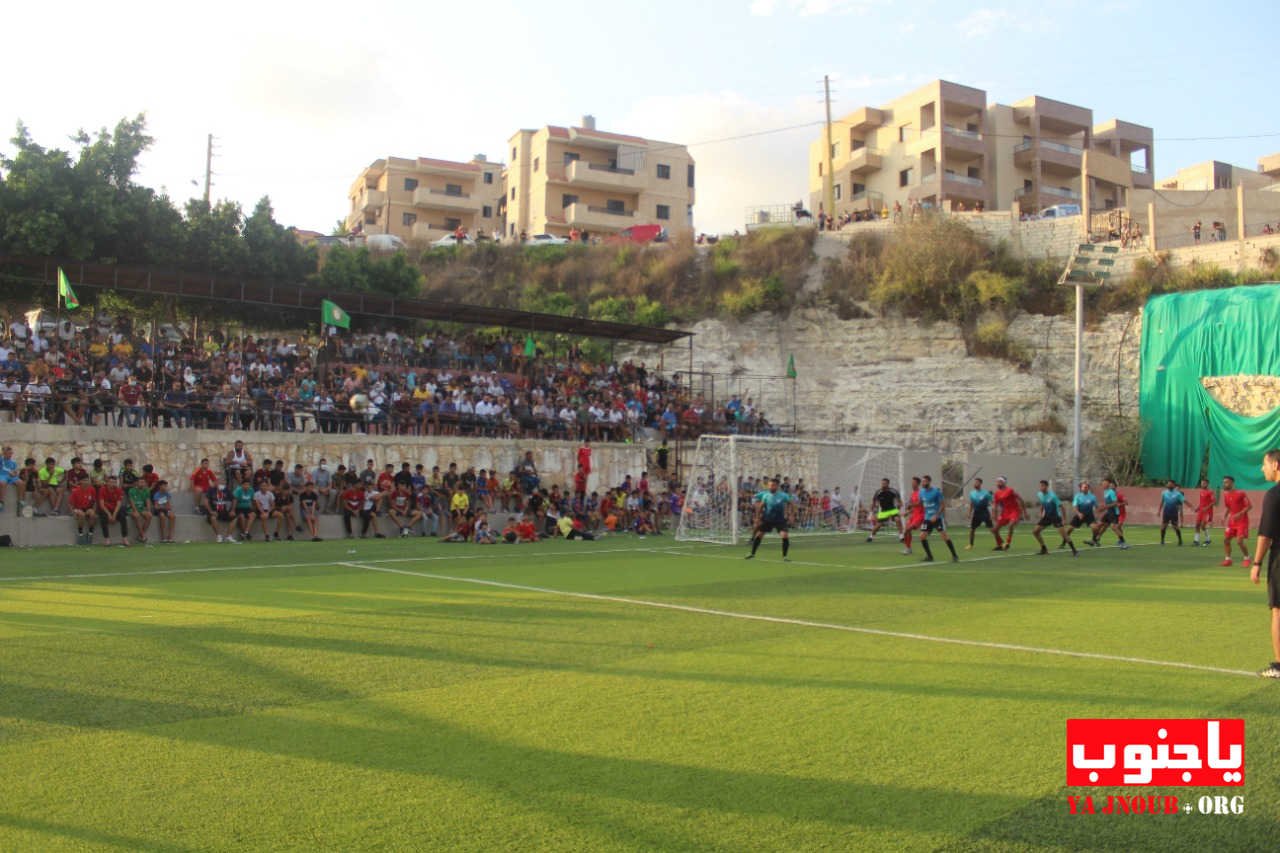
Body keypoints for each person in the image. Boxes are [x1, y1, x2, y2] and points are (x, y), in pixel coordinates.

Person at [1248, 449, 1280, 678]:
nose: (1262, 468)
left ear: (1276, 465)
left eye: (1264, 464)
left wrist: (1256, 562)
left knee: (1278, 611)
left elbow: (1265, 535)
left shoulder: (1274, 495)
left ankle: (1279, 666)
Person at [745, 478, 794, 560]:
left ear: (777, 486)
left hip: (780, 520)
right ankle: (752, 553)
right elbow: (761, 506)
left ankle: (785, 556)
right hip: (767, 519)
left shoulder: (783, 495)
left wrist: (791, 515)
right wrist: (757, 518)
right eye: (769, 485)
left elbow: (792, 504)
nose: (770, 487)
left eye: (772, 485)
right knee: (759, 535)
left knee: (784, 535)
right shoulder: (766, 495)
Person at [917, 474, 959, 562]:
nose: (923, 483)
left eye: (924, 481)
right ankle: (929, 557)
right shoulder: (921, 492)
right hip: (927, 518)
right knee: (922, 536)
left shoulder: (936, 492)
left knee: (944, 536)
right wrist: (909, 508)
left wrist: (936, 515)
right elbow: (920, 503)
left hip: (937, 518)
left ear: (929, 482)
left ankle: (955, 556)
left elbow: (942, 505)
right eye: (922, 482)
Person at [1031, 480, 1078, 556]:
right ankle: (1044, 549)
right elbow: (1043, 503)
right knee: (1035, 532)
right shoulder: (1039, 494)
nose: (1041, 487)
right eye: (1040, 486)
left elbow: (1062, 507)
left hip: (1055, 516)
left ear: (1047, 487)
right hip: (1046, 517)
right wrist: (1041, 512)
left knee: (1064, 535)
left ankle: (1074, 551)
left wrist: (1064, 519)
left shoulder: (1053, 496)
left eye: (1042, 486)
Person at [1222, 474, 1253, 567]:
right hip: (1232, 522)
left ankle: (1247, 558)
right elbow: (1228, 507)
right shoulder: (1226, 495)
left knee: (1239, 541)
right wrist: (1224, 516)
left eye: (1226, 482)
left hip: (1242, 521)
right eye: (1224, 482)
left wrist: (1240, 513)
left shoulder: (1241, 493)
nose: (1225, 484)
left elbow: (1249, 506)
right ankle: (1228, 560)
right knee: (1226, 540)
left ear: (1232, 483)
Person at [991, 476, 1025, 551]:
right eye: (997, 482)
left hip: (1014, 511)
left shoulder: (1010, 490)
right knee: (994, 530)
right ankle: (1000, 544)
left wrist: (1024, 513)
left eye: (1000, 482)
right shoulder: (997, 493)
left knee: (1011, 525)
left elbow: (1021, 500)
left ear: (1004, 483)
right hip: (1005, 513)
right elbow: (995, 505)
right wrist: (994, 515)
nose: (998, 483)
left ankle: (1007, 543)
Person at [97, 474, 129, 546]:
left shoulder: (118, 490)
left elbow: (118, 504)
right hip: (106, 509)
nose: (112, 484)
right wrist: (109, 515)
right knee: (103, 518)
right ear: (107, 482)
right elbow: (102, 505)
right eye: (111, 482)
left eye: (114, 482)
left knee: (123, 516)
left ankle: (125, 538)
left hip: (115, 509)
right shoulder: (102, 489)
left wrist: (114, 515)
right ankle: (107, 539)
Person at [966, 477, 997, 551]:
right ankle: (970, 544)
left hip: (985, 513)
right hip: (976, 513)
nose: (975, 483)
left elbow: (993, 503)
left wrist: (993, 513)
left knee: (992, 529)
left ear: (980, 483)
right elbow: (972, 503)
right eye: (975, 482)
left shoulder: (986, 493)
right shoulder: (972, 493)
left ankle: (999, 543)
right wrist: (969, 512)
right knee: (972, 529)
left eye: (977, 482)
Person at [69, 476, 98, 544]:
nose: (86, 482)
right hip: (78, 508)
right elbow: (70, 504)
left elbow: (94, 502)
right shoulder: (75, 490)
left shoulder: (92, 489)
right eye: (84, 480)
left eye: (88, 480)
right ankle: (80, 534)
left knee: (92, 514)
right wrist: (73, 512)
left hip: (88, 508)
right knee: (81, 515)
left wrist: (94, 510)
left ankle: (90, 533)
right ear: (80, 482)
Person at [901, 476, 925, 556]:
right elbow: (913, 507)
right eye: (912, 482)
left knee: (908, 530)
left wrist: (910, 504)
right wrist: (907, 512)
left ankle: (909, 549)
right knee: (906, 531)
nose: (912, 484)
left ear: (918, 484)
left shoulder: (921, 493)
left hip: (920, 516)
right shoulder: (913, 493)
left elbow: (920, 504)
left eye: (914, 483)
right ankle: (908, 548)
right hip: (913, 515)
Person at [126, 477, 153, 544]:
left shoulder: (146, 490)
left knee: (149, 515)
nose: (142, 484)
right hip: (132, 509)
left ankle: (140, 535)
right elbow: (131, 501)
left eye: (143, 482)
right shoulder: (131, 490)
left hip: (141, 508)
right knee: (136, 516)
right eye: (141, 482)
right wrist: (135, 511)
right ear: (137, 483)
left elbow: (148, 501)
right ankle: (143, 535)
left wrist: (149, 510)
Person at [1158, 480, 1185, 545]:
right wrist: (1159, 511)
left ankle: (1180, 540)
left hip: (1174, 511)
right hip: (1166, 511)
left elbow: (1182, 503)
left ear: (1173, 485)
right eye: (1168, 484)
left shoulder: (1178, 494)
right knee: (1163, 526)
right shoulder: (1164, 493)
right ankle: (1162, 540)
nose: (1168, 485)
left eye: (1170, 484)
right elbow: (1162, 502)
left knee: (1175, 527)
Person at [1194, 478, 1217, 547]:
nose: (1202, 484)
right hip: (1201, 511)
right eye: (1201, 483)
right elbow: (1202, 502)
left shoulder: (1210, 492)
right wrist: (1198, 508)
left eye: (1203, 483)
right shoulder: (1201, 491)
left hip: (1207, 512)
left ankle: (1208, 539)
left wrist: (1207, 507)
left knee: (1203, 526)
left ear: (1207, 484)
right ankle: (1196, 541)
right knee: (1197, 525)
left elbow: (1213, 501)